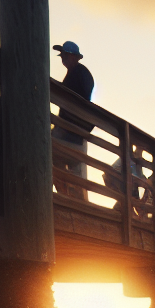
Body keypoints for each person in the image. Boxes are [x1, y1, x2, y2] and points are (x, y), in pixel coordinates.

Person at [51, 41, 95, 198]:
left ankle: (59, 195)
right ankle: (72, 201)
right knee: (77, 175)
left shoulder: (75, 74)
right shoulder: (82, 74)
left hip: (68, 131)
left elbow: (64, 96)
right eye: (62, 55)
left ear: (73, 57)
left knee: (46, 149)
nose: (63, 59)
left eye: (65, 55)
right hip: (78, 134)